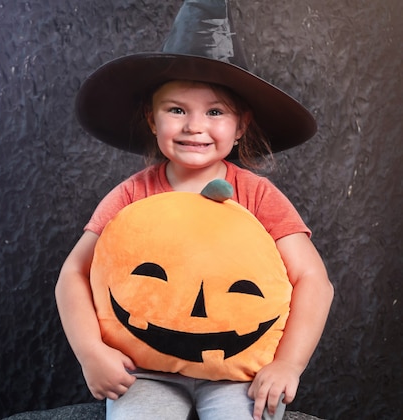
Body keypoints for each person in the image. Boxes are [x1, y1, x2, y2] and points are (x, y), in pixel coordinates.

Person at [55, 1, 334, 419]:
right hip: (145, 370)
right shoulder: (132, 195)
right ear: (152, 119)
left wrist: (287, 364)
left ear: (241, 126)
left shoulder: (258, 197)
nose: (194, 126)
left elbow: (314, 280)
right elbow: (73, 274)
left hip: (238, 370)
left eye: (215, 111)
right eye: (177, 109)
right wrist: (91, 352)